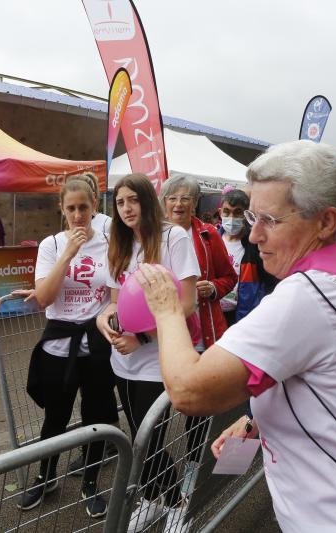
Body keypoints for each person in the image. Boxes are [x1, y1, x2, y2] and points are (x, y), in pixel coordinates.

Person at [133, 140, 336, 532]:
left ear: (327, 222)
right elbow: (328, 377)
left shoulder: (309, 295)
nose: (252, 235)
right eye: (250, 216)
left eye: (269, 220)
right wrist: (258, 420)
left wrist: (165, 306)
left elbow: (188, 392)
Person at [95, 173, 199, 531]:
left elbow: (187, 303)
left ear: (147, 202)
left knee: (148, 438)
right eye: (120, 202)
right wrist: (103, 322)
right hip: (122, 359)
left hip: (159, 357)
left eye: (133, 200)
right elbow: (112, 302)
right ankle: (157, 498)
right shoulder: (119, 244)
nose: (126, 208)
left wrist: (144, 338)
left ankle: (177, 503)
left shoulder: (174, 237)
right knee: (137, 434)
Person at [17, 176, 118, 518]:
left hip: (96, 342)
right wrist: (69, 253)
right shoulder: (51, 245)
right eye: (71, 208)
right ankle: (46, 477)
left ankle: (90, 483)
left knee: (96, 416)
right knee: (55, 418)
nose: (78, 215)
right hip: (59, 342)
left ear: (95, 206)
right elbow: (44, 297)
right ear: (61, 208)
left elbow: (115, 296)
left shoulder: (109, 241)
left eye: (84, 207)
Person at [160, 175, 237, 500]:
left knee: (200, 408)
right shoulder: (150, 234)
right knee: (157, 412)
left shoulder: (207, 235)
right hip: (160, 335)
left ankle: (195, 467)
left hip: (204, 331)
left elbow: (229, 277)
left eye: (185, 199)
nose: (179, 204)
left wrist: (212, 288)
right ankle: (155, 481)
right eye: (173, 198)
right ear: (163, 202)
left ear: (194, 203)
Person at [218, 188, 278, 325]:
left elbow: (270, 284)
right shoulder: (211, 240)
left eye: (237, 213)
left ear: (246, 215)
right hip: (214, 315)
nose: (231, 218)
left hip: (243, 318)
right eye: (227, 212)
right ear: (220, 212)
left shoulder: (256, 246)